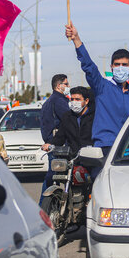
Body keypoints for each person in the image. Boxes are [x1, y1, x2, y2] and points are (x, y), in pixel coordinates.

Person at [65, 21, 129, 172]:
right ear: (111, 67)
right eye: (117, 64)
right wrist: (76, 39)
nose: (120, 68)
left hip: (128, 148)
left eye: (124, 65)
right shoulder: (102, 87)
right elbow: (89, 66)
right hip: (105, 148)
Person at [39, 74, 71, 203]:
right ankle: (44, 206)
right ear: (59, 86)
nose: (68, 86)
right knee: (54, 177)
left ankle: (48, 205)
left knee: (52, 177)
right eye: (66, 84)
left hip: (52, 143)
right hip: (59, 145)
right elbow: (68, 120)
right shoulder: (59, 101)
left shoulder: (49, 101)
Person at [42, 86, 95, 158]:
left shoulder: (95, 116)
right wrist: (50, 144)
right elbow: (60, 136)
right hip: (73, 158)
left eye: (78, 99)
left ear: (86, 101)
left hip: (91, 157)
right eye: (72, 99)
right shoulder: (67, 116)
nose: (74, 102)